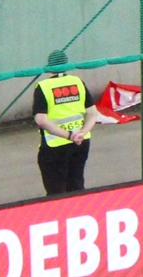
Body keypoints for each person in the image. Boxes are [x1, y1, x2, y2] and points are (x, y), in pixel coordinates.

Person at [33, 50, 93, 195]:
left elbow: (41, 120)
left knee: (56, 191)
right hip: (81, 142)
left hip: (55, 145)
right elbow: (92, 113)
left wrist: (69, 135)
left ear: (49, 66)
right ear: (66, 65)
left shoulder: (43, 86)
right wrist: (81, 133)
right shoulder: (77, 82)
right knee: (76, 185)